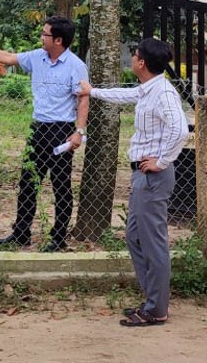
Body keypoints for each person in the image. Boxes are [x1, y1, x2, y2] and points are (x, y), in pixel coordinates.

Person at [78, 37, 189, 327]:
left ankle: (156, 309)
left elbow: (180, 130)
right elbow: (124, 96)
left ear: (142, 62)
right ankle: (152, 300)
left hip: (153, 176)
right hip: (144, 175)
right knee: (136, 237)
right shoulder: (148, 89)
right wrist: (94, 91)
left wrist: (161, 161)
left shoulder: (163, 92)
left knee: (153, 243)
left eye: (135, 54)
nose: (132, 58)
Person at [0, 16, 89, 252]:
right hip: (38, 128)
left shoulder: (76, 65)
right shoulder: (37, 57)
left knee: (61, 185)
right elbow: (8, 58)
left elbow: (83, 100)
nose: (41, 37)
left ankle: (58, 237)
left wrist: (78, 132)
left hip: (61, 130)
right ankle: (21, 232)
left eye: (45, 34)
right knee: (28, 183)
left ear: (58, 40)